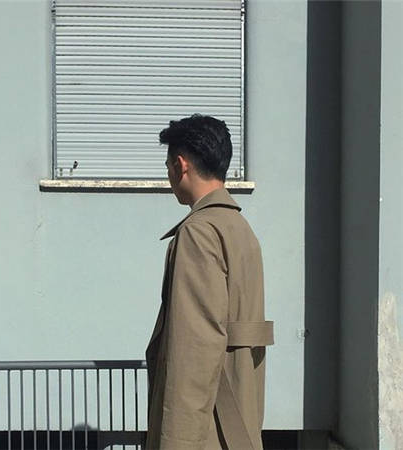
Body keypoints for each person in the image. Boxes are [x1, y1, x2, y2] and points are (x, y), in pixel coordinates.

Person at [145, 114, 274, 450]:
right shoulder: (239, 229)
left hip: (209, 427)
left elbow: (194, 347)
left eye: (167, 166)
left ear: (180, 165)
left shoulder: (199, 232)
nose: (168, 176)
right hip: (238, 419)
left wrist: (177, 442)